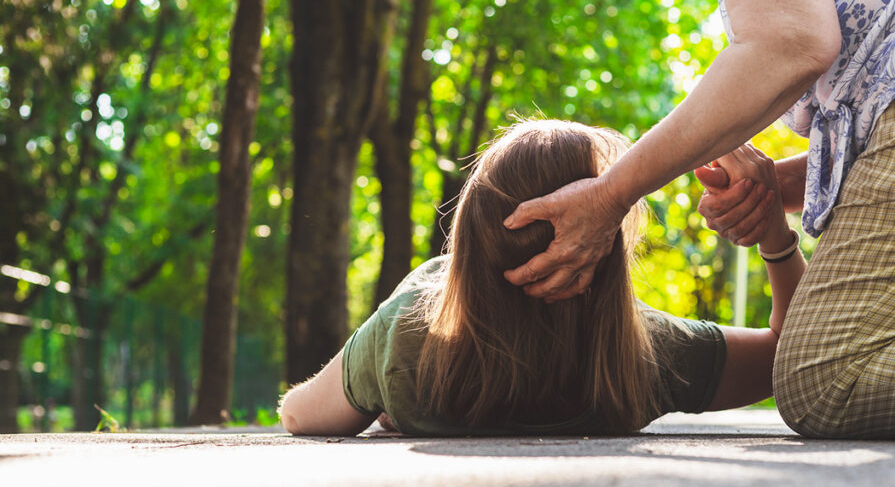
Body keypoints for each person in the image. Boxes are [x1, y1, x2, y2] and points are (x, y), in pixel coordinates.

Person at [502, 0, 895, 440]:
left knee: (826, 379)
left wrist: (611, 195)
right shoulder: (651, 357)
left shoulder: (424, 339)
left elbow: (790, 42)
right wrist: (774, 199)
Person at [278, 119, 804, 436]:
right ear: (604, 250)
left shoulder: (408, 336)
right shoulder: (645, 355)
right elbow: (792, 356)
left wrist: (387, 384)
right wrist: (776, 239)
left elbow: (299, 416)